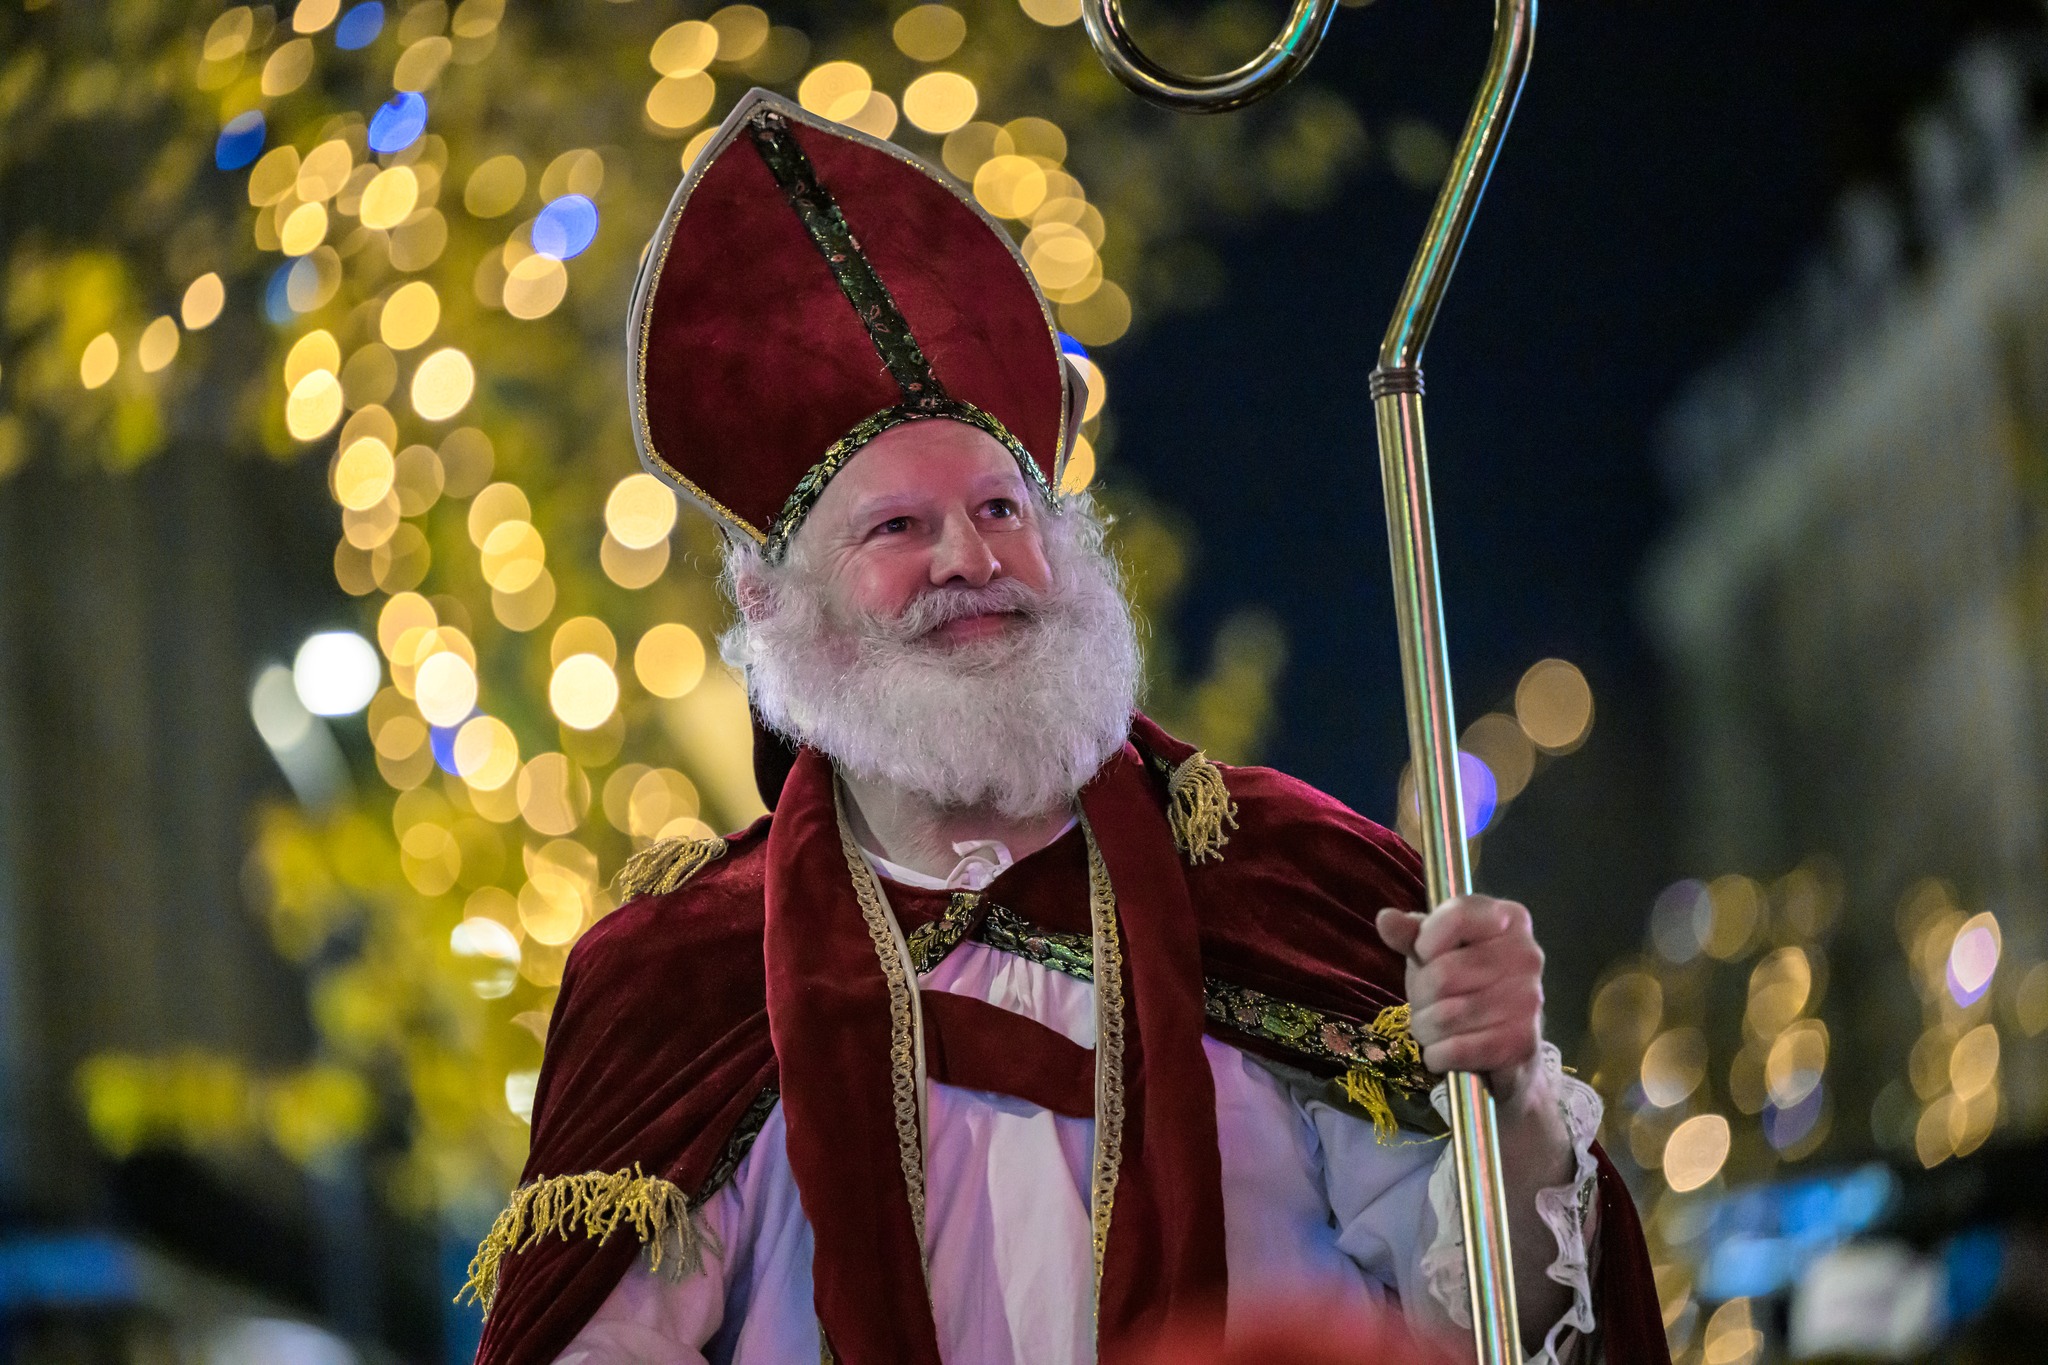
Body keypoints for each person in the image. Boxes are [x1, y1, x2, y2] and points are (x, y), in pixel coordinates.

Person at [465, 89, 1668, 1365]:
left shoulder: (1287, 881)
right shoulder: (678, 974)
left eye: (998, 509)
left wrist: (1507, 1090)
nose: (967, 560)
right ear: (773, 603)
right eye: (896, 529)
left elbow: (1480, 1330)